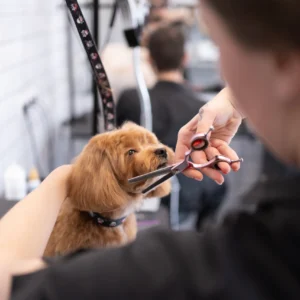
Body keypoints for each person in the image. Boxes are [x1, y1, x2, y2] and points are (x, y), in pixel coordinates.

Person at [2, 0, 300, 299]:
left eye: (220, 44)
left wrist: (60, 180)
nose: (222, 70)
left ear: (284, 63)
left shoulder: (166, 271)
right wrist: (236, 99)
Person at [117, 23, 226, 226]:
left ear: (149, 60)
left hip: (141, 205)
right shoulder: (203, 109)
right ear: (185, 58)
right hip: (189, 204)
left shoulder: (131, 100)